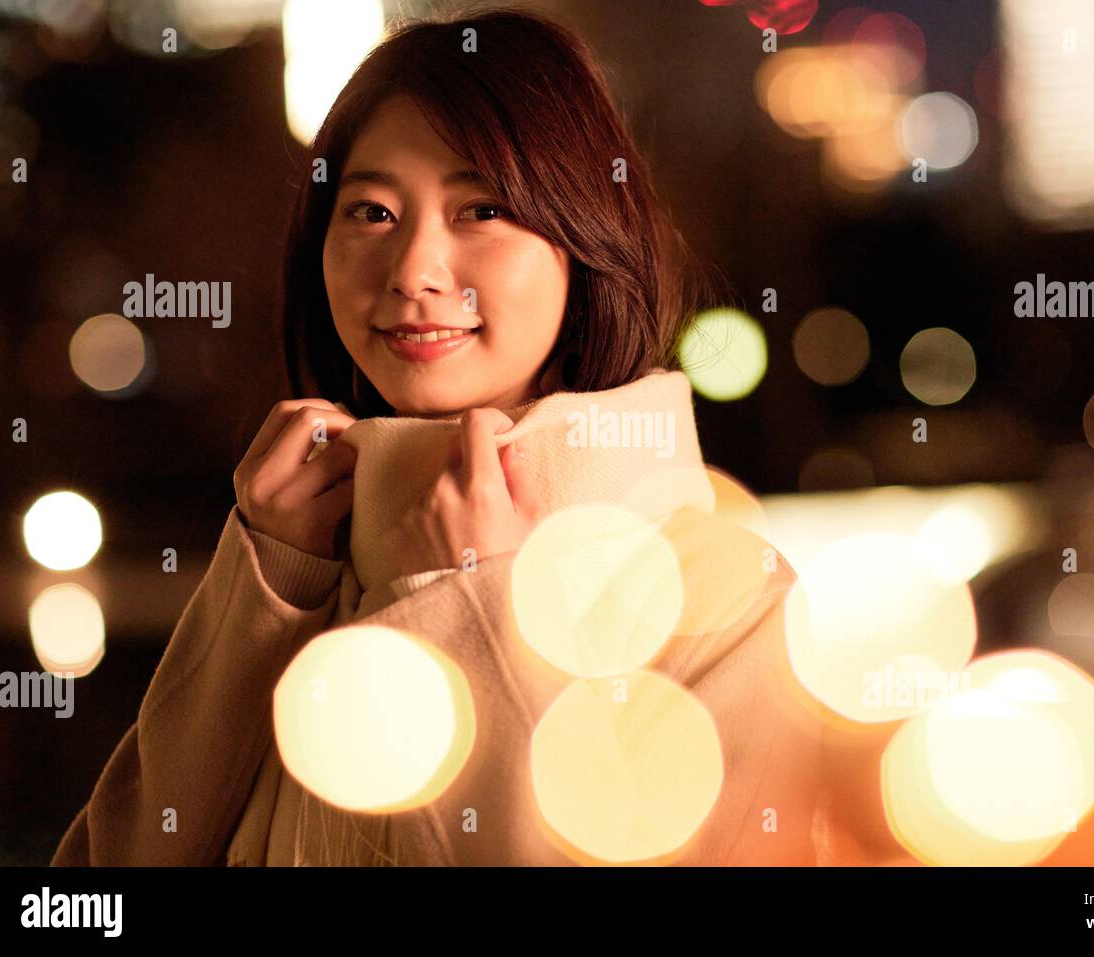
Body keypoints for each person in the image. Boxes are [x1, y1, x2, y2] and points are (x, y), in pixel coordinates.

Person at [52, 5, 824, 867]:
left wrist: (476, 605)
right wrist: (264, 589)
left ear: (585, 240)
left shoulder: (730, 602)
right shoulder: (303, 560)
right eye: (371, 213)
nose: (415, 270)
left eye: (482, 208)